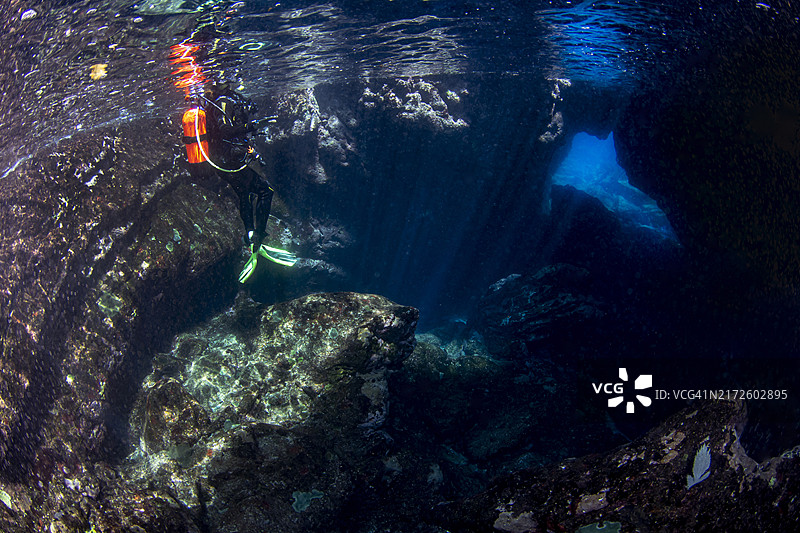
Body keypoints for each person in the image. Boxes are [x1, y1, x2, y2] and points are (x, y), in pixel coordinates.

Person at [184, 81, 274, 250]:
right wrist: (251, 126)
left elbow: (227, 135)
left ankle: (249, 235)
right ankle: (259, 237)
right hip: (228, 164)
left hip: (223, 163)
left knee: (245, 194)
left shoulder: (223, 101)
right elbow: (225, 130)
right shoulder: (222, 102)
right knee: (265, 191)